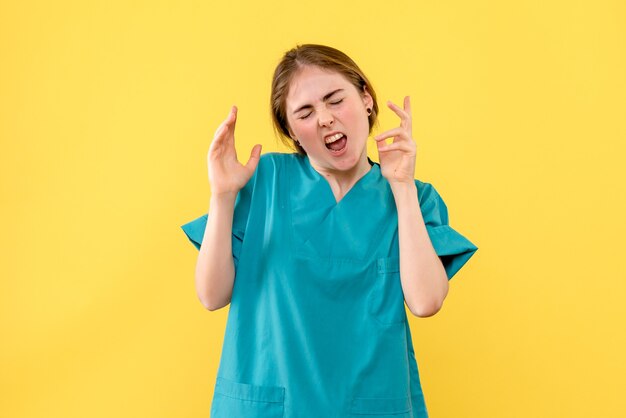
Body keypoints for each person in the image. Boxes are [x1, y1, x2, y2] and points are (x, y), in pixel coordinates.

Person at [181, 44, 478, 418]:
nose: (324, 119)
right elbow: (211, 295)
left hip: (370, 406)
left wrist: (401, 186)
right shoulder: (264, 184)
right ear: (292, 131)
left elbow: (426, 302)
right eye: (305, 112)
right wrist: (222, 196)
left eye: (335, 100)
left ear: (366, 100)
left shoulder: (414, 198)